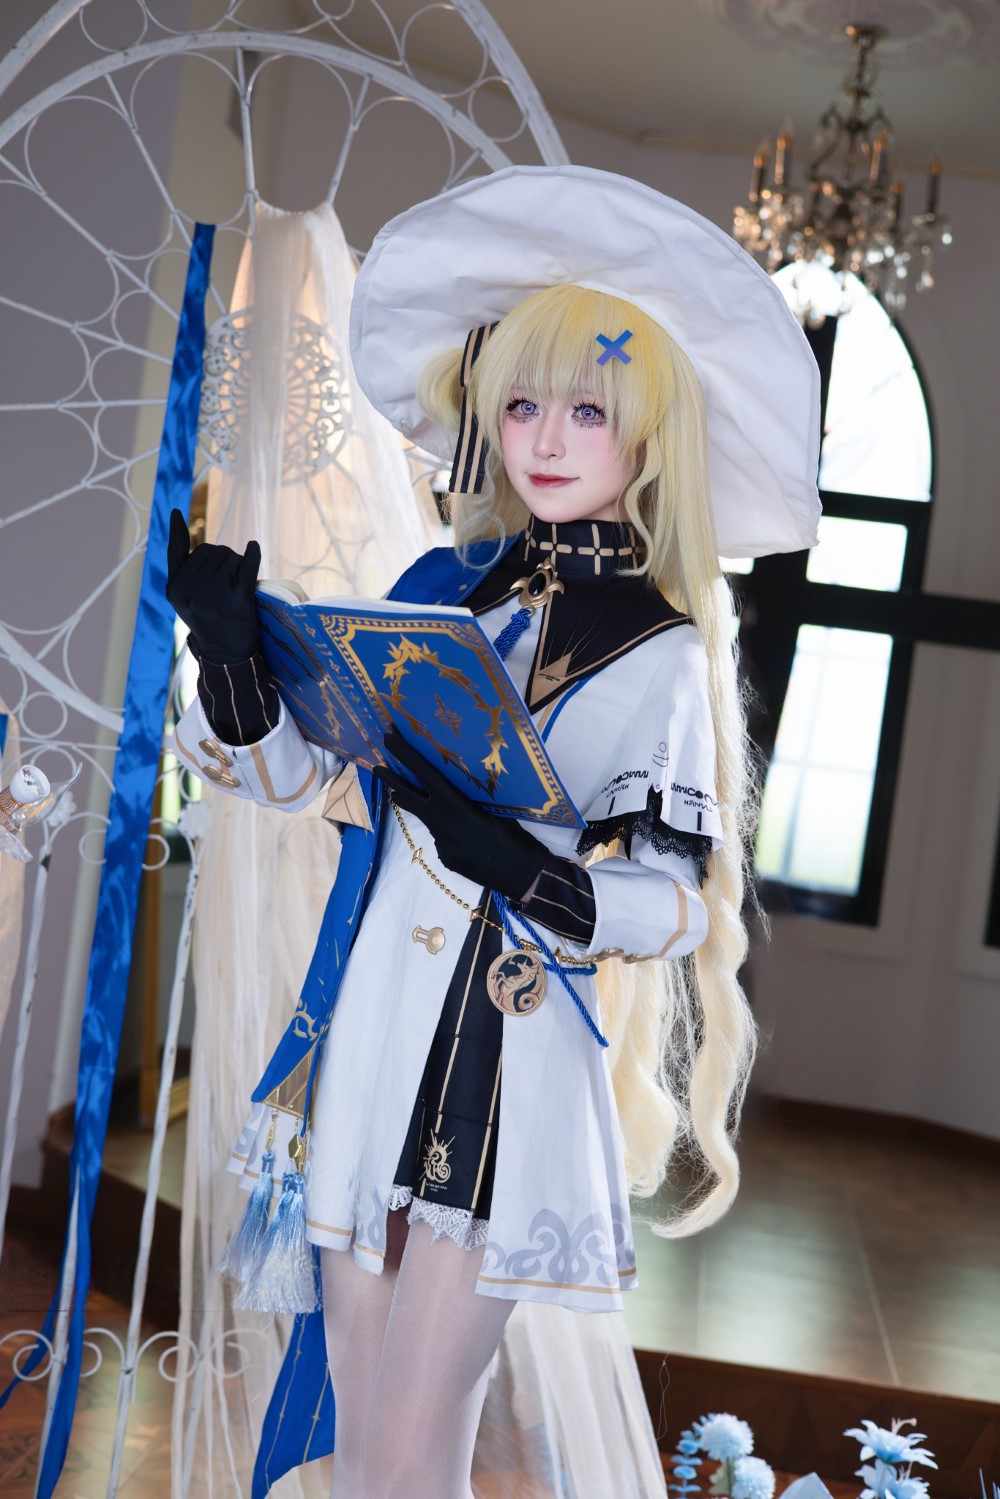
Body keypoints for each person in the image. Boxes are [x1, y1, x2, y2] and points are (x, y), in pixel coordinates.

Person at [167, 166, 820, 1499]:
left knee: (416, 1455)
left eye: (590, 409)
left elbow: (675, 902)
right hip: (372, 1035)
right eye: (522, 403)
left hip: (509, 1058)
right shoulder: (439, 590)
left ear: (650, 436)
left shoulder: (660, 650)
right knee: (366, 1448)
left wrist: (529, 871)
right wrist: (231, 660)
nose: (547, 439)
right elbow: (294, 780)